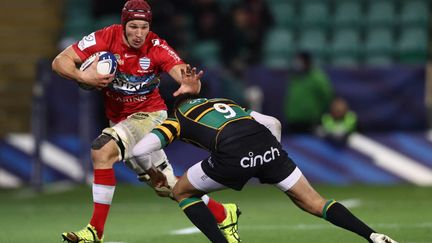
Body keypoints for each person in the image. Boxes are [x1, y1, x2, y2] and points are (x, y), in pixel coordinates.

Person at [52, 1, 239, 242]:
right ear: (123, 25)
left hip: (149, 117)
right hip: (120, 120)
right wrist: (81, 74)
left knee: (102, 151)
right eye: (133, 27)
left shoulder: (157, 46)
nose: (139, 33)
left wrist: (191, 85)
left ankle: (95, 232)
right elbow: (60, 61)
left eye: (144, 27)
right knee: (168, 186)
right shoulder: (104, 37)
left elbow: (182, 72)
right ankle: (224, 213)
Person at [131, 92, 398, 242]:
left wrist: (153, 173)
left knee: (182, 191)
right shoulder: (226, 102)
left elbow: (140, 149)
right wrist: (270, 159)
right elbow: (273, 123)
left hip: (233, 153)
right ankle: (373, 236)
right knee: (314, 202)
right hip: (268, 146)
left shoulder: (175, 118)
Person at [284, 51, 333, 133]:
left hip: (310, 121)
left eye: (299, 61)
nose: (297, 64)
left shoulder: (317, 78)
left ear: (307, 62)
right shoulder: (294, 77)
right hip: (292, 120)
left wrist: (318, 113)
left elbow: (327, 97)